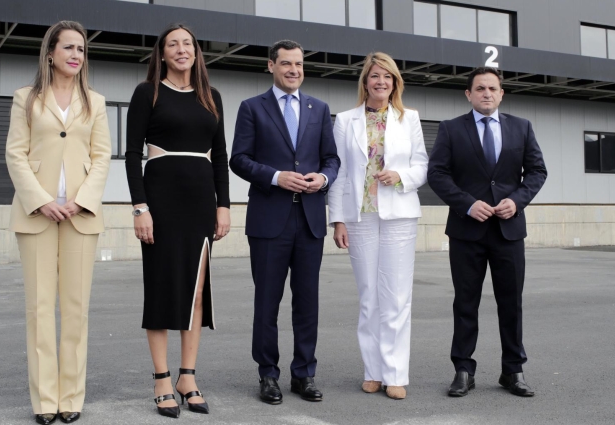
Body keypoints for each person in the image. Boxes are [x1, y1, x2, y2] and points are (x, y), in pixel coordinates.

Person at [5, 20, 111, 425]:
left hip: (80, 217)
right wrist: (43, 201)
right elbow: (16, 154)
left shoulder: (95, 103)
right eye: (68, 47)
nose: (75, 55)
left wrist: (81, 201)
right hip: (37, 216)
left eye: (81, 49)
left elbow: (102, 157)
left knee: (75, 309)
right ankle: (44, 401)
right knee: (39, 310)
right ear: (50, 53)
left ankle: (71, 397)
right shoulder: (26, 99)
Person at [125, 24, 230, 418]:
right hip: (161, 201)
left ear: (196, 52)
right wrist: (140, 207)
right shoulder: (146, 92)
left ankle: (188, 376)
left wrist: (224, 205)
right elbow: (133, 152)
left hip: (202, 202)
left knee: (197, 290)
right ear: (163, 53)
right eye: (173, 44)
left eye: (188, 44)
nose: (182, 49)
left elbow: (219, 155)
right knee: (162, 288)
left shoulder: (211, 96)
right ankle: (162, 379)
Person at [230, 39, 340, 405]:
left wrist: (323, 179)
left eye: (299, 64)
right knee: (267, 303)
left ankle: (304, 374)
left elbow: (331, 159)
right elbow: (239, 159)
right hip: (268, 220)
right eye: (286, 64)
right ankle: (268, 375)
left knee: (307, 303)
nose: (294, 70)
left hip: (309, 220)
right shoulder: (251, 108)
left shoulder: (319, 108)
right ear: (271, 66)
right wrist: (277, 177)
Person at [427, 67, 547, 398]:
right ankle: (463, 370)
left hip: (508, 231)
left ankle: (513, 371)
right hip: (467, 231)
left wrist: (517, 200)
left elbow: (537, 171)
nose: (486, 93)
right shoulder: (451, 129)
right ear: (468, 94)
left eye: (492, 88)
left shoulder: (521, 128)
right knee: (465, 302)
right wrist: (467, 204)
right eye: (479, 88)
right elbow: (437, 173)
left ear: (501, 93)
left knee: (512, 303)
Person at [328, 52, 428, 400]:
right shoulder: (345, 119)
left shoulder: (409, 118)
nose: (381, 82)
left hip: (399, 215)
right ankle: (373, 371)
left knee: (397, 298)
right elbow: (338, 172)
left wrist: (401, 175)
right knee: (369, 297)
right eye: (375, 76)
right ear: (365, 82)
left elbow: (422, 165)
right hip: (360, 218)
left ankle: (395, 374)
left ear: (395, 82)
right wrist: (337, 219)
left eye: (387, 77)